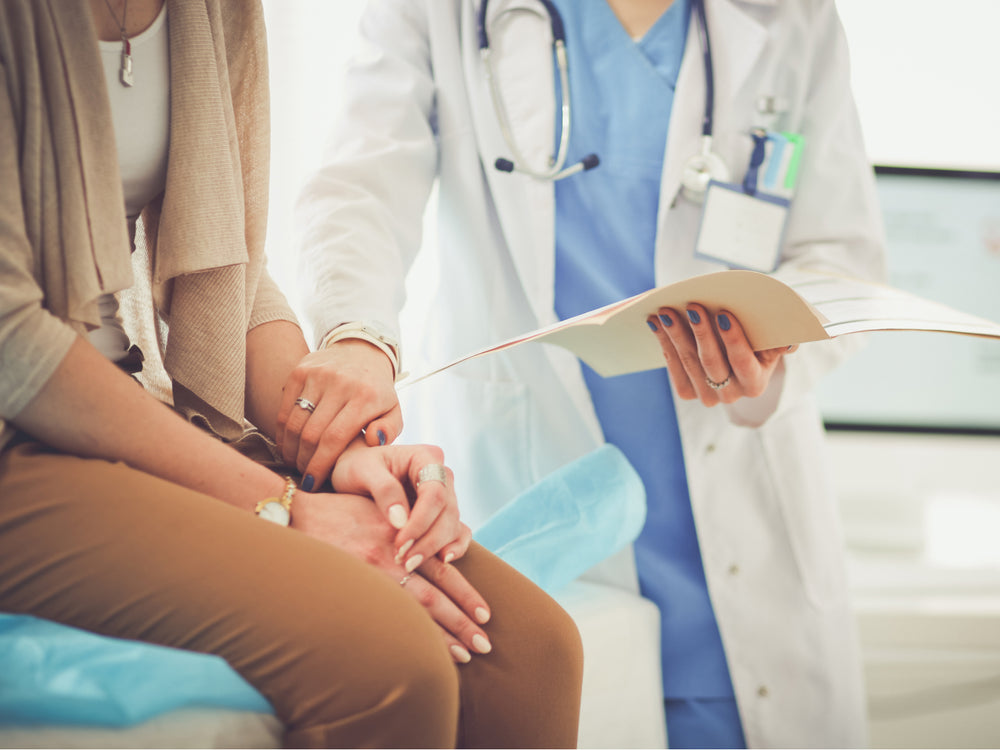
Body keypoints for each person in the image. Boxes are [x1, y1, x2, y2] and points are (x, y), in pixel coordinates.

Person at [290, 0, 887, 747]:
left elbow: (842, 253)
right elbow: (360, 185)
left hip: (738, 510)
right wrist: (357, 335)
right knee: (564, 692)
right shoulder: (442, 11)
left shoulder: (791, 19)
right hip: (535, 487)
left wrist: (775, 341)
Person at [0, 1, 584, 747]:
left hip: (131, 401)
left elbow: (231, 270)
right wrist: (285, 506)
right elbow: (12, 341)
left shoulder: (214, 11)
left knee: (533, 652)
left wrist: (337, 450)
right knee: (388, 661)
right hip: (21, 432)